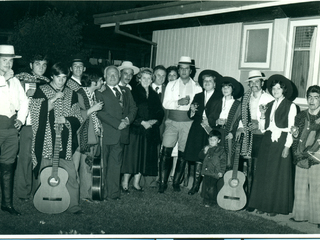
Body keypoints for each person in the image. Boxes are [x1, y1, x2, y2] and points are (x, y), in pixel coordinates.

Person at [30, 62, 83, 214]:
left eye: (64, 77)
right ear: (52, 76)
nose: (61, 81)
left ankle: (73, 205)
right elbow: (33, 112)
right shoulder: (42, 90)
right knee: (44, 171)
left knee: (71, 174)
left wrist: (66, 120)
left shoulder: (71, 94)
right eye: (58, 77)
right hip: (46, 139)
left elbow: (78, 117)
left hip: (64, 141)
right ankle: (40, 200)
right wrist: (51, 101)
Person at [247, 74, 297, 216]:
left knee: (276, 174)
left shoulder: (291, 106)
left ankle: (273, 207)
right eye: (273, 88)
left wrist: (287, 147)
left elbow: (291, 129)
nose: (275, 91)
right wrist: (262, 114)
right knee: (264, 173)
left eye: (278, 88)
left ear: (284, 90)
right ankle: (262, 204)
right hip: (267, 140)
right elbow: (263, 128)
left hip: (281, 141)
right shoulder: (268, 105)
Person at [159, 56, 202, 193]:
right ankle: (162, 182)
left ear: (191, 70)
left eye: (187, 68)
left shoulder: (197, 87)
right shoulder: (171, 84)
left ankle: (176, 182)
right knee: (166, 151)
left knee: (183, 153)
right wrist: (179, 102)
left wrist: (192, 107)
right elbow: (165, 104)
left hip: (188, 123)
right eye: (181, 68)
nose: (184, 71)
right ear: (178, 70)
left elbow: (200, 105)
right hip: (172, 121)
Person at [96, 65, 137, 200]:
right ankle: (102, 192)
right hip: (107, 133)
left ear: (119, 76)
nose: (113, 77)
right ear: (105, 77)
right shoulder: (100, 91)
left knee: (116, 164)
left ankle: (113, 193)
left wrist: (127, 119)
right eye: (109, 75)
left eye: (115, 75)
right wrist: (116, 123)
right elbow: (100, 112)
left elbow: (133, 108)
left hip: (121, 133)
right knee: (104, 165)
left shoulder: (126, 91)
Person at [121, 68, 164, 192]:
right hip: (135, 130)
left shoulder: (154, 94)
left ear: (152, 80)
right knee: (132, 157)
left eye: (149, 78)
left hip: (149, 130)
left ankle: (136, 183)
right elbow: (129, 111)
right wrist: (141, 122)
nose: (146, 80)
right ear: (139, 79)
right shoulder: (132, 92)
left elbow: (160, 111)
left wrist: (155, 121)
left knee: (143, 157)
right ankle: (124, 182)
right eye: (143, 78)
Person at [15, 54, 50, 202]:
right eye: (37, 64)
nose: (41, 68)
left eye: (44, 65)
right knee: (25, 158)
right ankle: (23, 192)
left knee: (41, 158)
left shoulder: (49, 82)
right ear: (31, 65)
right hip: (27, 125)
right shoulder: (20, 78)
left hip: (44, 125)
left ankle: (39, 190)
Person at [235, 70, 274, 203]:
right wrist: (241, 127)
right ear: (249, 84)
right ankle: (250, 199)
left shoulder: (270, 99)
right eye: (252, 82)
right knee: (250, 168)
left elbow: (273, 121)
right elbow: (242, 116)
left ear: (262, 83)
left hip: (262, 136)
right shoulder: (246, 97)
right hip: (248, 135)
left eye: (257, 81)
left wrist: (259, 125)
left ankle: (259, 198)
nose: (254, 84)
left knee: (259, 169)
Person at [183, 69, 223, 195]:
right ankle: (195, 185)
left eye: (210, 81)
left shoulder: (220, 96)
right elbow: (191, 114)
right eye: (205, 81)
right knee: (197, 156)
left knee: (209, 157)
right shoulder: (198, 95)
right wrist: (193, 110)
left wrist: (210, 122)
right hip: (197, 129)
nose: (207, 83)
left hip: (210, 131)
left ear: (214, 84)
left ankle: (207, 186)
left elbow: (221, 114)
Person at [0, 45, 28, 215]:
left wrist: (20, 118)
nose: (8, 64)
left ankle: (7, 203)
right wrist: (4, 79)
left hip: (11, 129)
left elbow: (24, 102)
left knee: (8, 165)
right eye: (4, 61)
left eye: (10, 61)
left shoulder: (16, 81)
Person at [290, 85, 320, 228]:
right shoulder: (301, 115)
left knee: (317, 188)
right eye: (310, 97)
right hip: (301, 155)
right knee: (300, 186)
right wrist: (295, 135)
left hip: (317, 157)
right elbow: (295, 137)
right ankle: (300, 215)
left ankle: (318, 218)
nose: (312, 100)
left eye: (316, 98)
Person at [77, 69, 104, 201]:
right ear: (93, 82)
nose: (102, 82)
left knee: (88, 165)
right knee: (82, 166)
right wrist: (93, 109)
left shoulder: (93, 94)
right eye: (100, 80)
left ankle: (86, 194)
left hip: (92, 135)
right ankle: (81, 195)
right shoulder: (80, 94)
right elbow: (77, 115)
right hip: (83, 137)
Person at [199, 130, 226, 207]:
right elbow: (200, 157)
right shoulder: (206, 148)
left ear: (219, 140)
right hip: (207, 171)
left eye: (214, 140)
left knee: (211, 187)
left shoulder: (220, 150)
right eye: (210, 139)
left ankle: (211, 201)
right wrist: (205, 151)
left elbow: (223, 162)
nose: (212, 142)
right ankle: (207, 200)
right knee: (207, 186)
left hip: (215, 172)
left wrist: (221, 171)